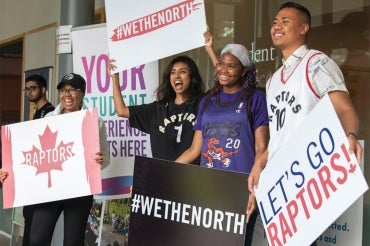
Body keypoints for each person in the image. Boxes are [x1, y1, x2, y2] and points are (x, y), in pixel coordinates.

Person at [247, 2, 363, 245]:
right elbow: (280, 134)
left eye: (285, 21)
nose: (277, 26)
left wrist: (350, 135)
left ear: (303, 28)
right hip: (274, 180)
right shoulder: (274, 80)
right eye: (275, 21)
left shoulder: (316, 63)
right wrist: (259, 164)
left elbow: (345, 108)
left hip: (301, 181)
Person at [175, 42, 269, 246]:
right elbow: (195, 149)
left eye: (231, 66)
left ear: (244, 71)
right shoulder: (207, 101)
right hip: (208, 188)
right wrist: (162, 173)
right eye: (220, 64)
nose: (223, 70)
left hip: (240, 189)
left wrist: (254, 190)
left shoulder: (256, 98)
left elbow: (261, 148)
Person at [25, 72, 110, 245]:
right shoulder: (49, 119)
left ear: (83, 93)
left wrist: (101, 161)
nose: (67, 95)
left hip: (79, 189)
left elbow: (106, 157)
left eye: (72, 90)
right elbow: (33, 154)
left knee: (73, 241)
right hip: (50, 188)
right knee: (37, 239)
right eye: (63, 90)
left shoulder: (95, 121)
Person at [107, 55, 205, 163]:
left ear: (192, 77)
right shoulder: (157, 109)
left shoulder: (202, 103)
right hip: (164, 176)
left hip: (193, 176)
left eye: (182, 72)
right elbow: (121, 111)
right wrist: (115, 78)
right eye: (173, 72)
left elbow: (224, 84)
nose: (176, 76)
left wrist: (209, 50)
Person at [23, 74, 55, 246]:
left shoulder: (50, 113)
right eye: (27, 89)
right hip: (32, 179)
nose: (29, 92)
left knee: (36, 231)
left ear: (43, 89)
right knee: (29, 221)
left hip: (43, 182)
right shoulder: (36, 112)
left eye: (32, 88)